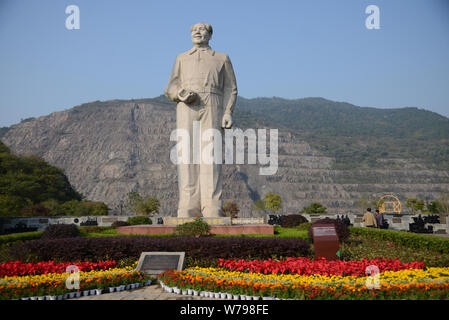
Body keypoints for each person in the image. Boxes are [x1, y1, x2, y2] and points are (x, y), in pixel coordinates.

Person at [165, 22, 238, 218]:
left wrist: (227, 112)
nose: (197, 32)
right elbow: (170, 87)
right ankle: (188, 204)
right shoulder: (181, 58)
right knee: (186, 154)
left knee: (210, 155)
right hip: (187, 106)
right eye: (193, 30)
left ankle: (212, 205)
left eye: (202, 29)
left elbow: (230, 89)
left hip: (212, 103)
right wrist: (180, 94)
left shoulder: (222, 58)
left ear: (210, 35)